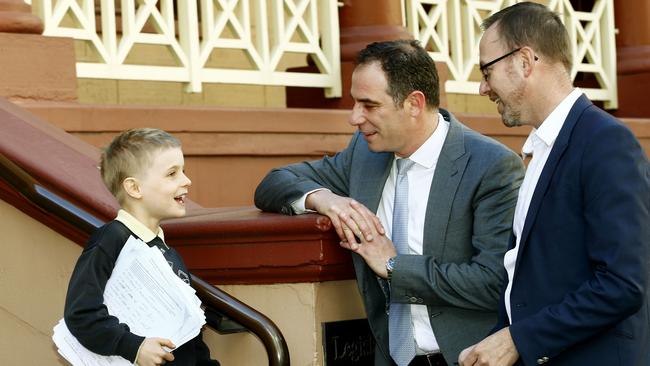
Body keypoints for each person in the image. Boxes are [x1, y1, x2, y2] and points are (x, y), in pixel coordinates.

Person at [255, 39, 524, 365]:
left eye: (369, 106)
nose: (354, 118)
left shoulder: (491, 165)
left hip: (466, 359)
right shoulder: (364, 155)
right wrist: (324, 199)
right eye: (355, 103)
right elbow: (273, 183)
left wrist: (395, 267)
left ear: (414, 103)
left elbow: (493, 282)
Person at [459, 3, 650, 366]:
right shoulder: (539, 148)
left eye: (487, 70)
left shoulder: (606, 142)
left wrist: (519, 340)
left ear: (526, 61)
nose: (483, 87)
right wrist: (500, 341)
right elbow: (526, 275)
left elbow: (622, 285)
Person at [64, 128, 219, 366]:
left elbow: (191, 337)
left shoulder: (169, 254)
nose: (186, 180)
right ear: (134, 188)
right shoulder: (111, 238)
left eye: (183, 171)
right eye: (172, 174)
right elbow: (81, 314)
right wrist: (134, 347)